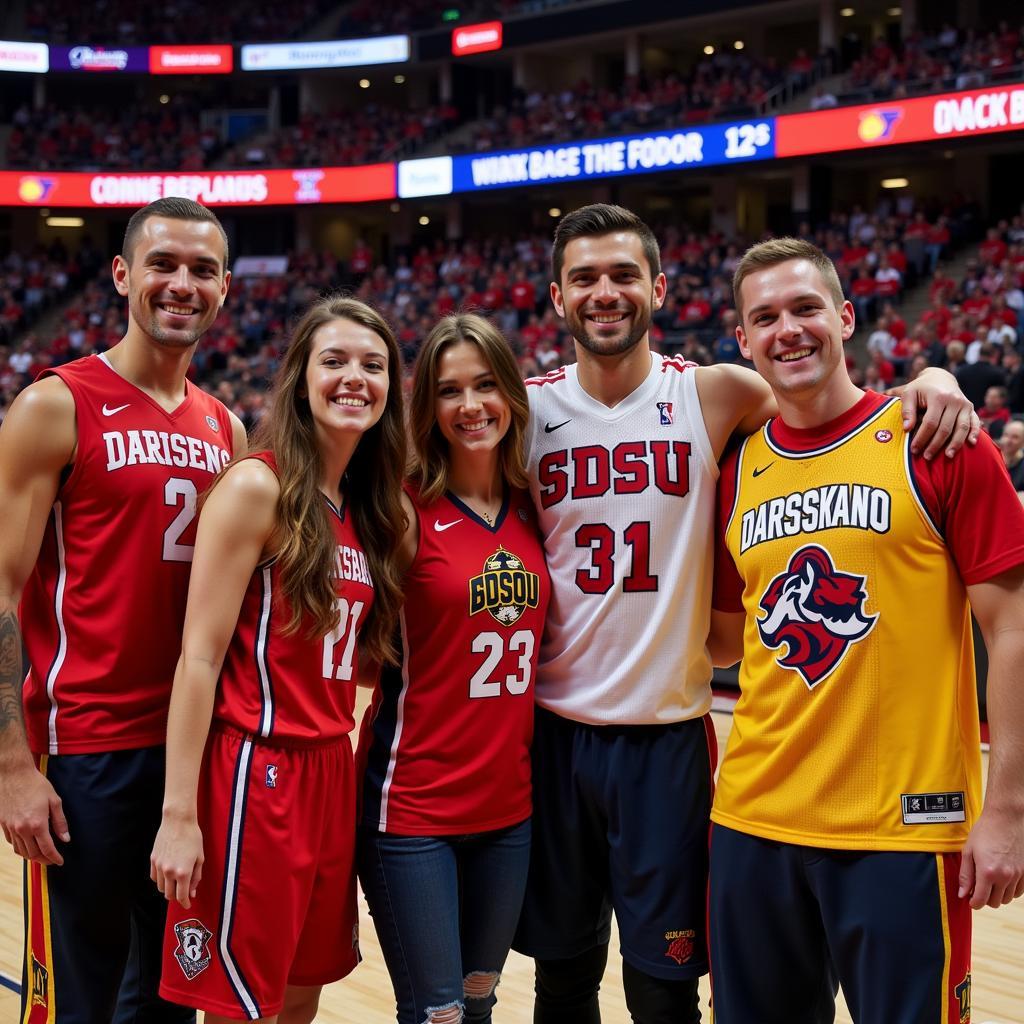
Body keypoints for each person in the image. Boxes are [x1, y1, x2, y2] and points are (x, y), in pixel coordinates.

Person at [511, 204, 978, 1024]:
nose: (605, 292)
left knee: (665, 990)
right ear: (556, 297)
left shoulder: (719, 391)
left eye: (623, 274)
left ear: (657, 286)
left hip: (668, 734)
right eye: (584, 278)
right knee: (563, 978)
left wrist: (932, 382)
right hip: (552, 731)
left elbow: (830, 403)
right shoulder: (521, 412)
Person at [708, 237, 1024, 1023]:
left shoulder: (937, 438)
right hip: (753, 821)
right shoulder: (737, 469)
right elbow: (720, 640)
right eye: (766, 317)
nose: (789, 330)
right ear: (742, 341)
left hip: (904, 829)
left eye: (807, 308)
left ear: (846, 317)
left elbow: (1013, 627)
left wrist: (1010, 809)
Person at [0, 197, 244, 1024]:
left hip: (193, 754)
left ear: (226, 288)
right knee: (81, 1001)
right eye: (164, 265)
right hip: (88, 755)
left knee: (170, 998)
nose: (183, 284)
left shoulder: (227, 427)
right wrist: (10, 766)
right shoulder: (53, 405)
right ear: (122, 275)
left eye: (202, 270)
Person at [150, 296, 407, 1023]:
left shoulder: (365, 507)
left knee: (301, 996)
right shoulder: (258, 485)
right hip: (255, 772)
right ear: (299, 380)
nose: (354, 377)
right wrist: (179, 815)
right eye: (334, 361)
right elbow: (197, 658)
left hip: (331, 766)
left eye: (373, 364)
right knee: (244, 1007)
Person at [358, 313, 550, 1024]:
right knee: (436, 1014)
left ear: (511, 393)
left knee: (479, 1004)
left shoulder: (538, 506)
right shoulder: (401, 512)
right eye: (448, 391)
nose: (470, 406)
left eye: (485, 384)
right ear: (426, 408)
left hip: (509, 811)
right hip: (412, 812)